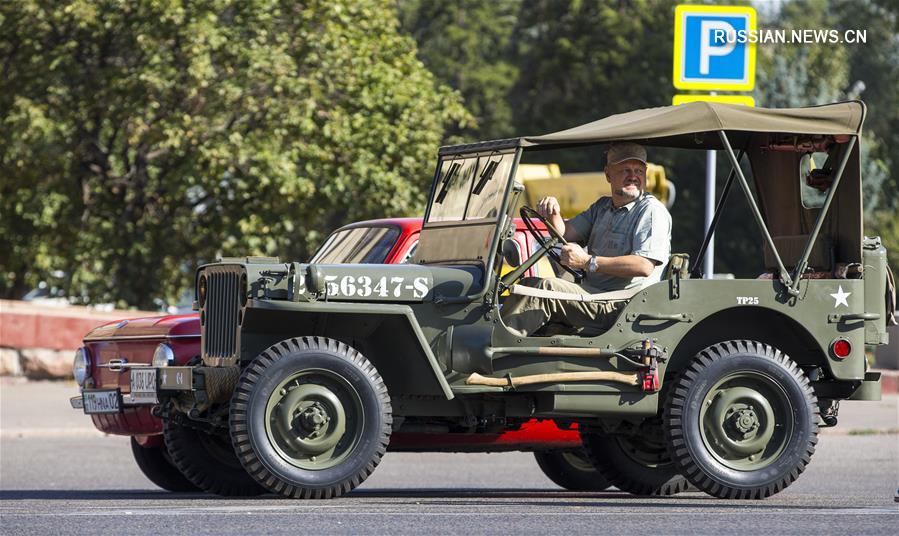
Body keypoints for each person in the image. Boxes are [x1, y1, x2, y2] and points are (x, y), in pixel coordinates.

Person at [503, 142, 672, 336]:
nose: (633, 176)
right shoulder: (603, 207)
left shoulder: (651, 211)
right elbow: (565, 233)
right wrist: (553, 213)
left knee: (544, 290)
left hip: (621, 305)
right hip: (594, 295)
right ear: (608, 174)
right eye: (625, 170)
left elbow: (643, 266)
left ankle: (494, 350)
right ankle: (497, 344)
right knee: (528, 285)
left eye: (639, 171)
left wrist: (587, 262)